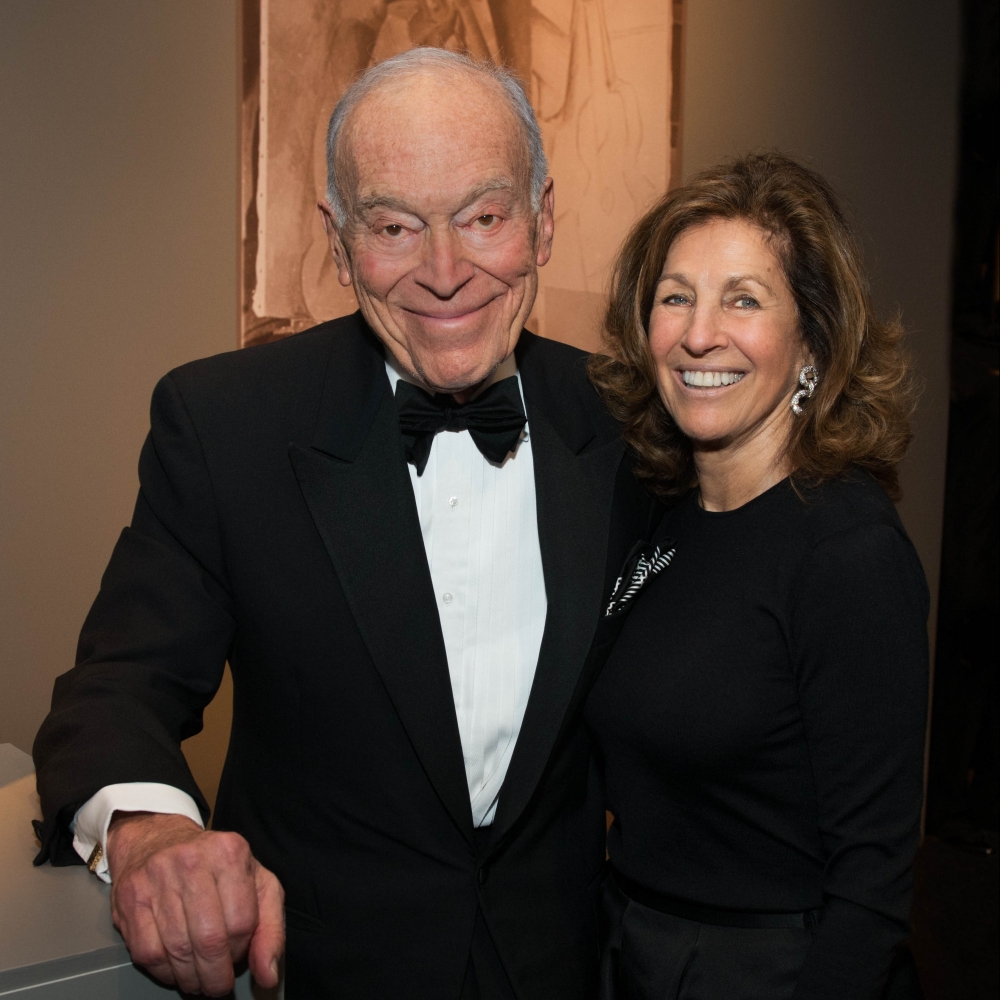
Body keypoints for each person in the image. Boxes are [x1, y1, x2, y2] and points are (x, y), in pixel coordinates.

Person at [32, 49, 657, 999]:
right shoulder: (226, 424)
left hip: (567, 969)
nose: (445, 272)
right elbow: (119, 686)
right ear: (336, 239)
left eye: (485, 217)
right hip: (321, 975)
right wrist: (153, 831)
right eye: (395, 226)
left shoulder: (631, 423)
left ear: (542, 219)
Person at [585, 152, 929, 999]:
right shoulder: (660, 520)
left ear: (812, 337)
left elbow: (874, 880)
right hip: (636, 955)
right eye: (676, 297)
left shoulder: (847, 550)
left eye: (744, 298)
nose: (700, 334)